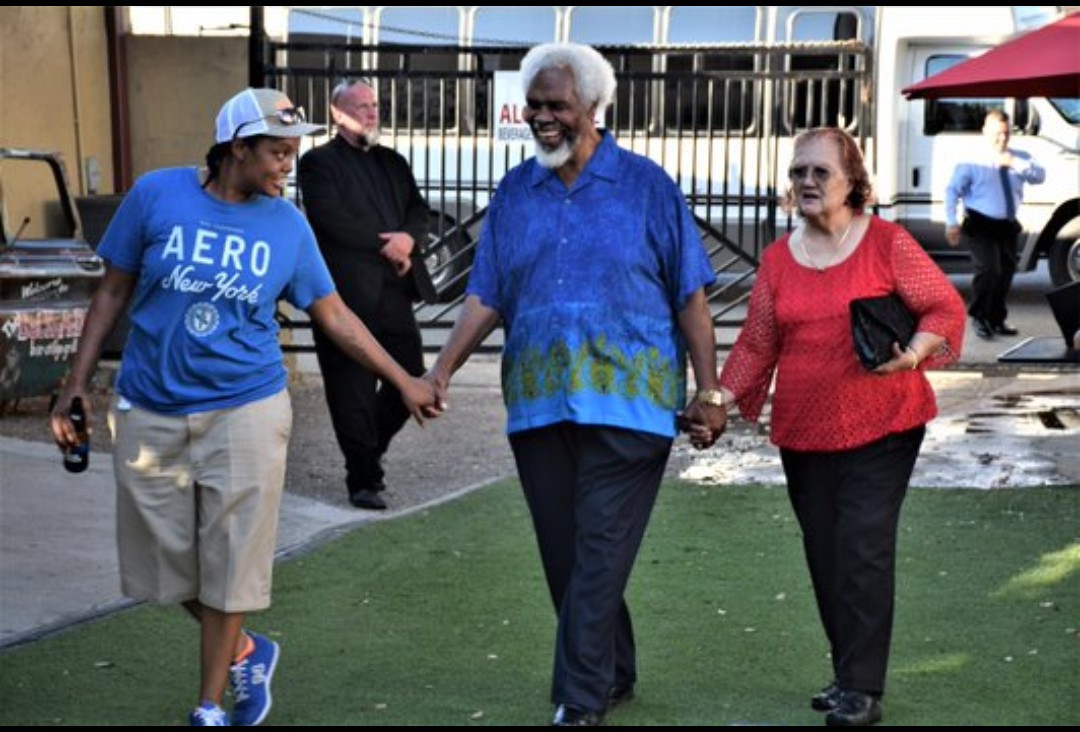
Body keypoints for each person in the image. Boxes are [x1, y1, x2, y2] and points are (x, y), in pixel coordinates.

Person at [49, 88, 438, 726]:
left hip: (247, 408)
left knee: (231, 564)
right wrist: (74, 386)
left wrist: (403, 380)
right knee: (159, 569)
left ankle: (208, 708)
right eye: (277, 152)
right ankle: (247, 649)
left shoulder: (287, 225)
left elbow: (333, 314)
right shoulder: (156, 196)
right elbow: (111, 292)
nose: (289, 164)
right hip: (149, 405)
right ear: (236, 149)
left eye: (292, 151)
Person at [424, 42, 726, 726]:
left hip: (632, 402)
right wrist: (441, 370)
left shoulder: (647, 187)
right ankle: (614, 669)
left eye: (556, 105)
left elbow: (690, 296)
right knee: (567, 555)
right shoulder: (515, 192)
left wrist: (709, 392)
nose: (542, 117)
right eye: (533, 105)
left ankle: (579, 698)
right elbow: (486, 294)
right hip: (539, 403)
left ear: (592, 106)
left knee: (598, 549)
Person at [711, 127, 965, 726]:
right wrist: (717, 397)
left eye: (820, 171)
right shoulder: (778, 260)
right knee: (825, 553)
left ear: (852, 181)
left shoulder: (886, 243)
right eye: (798, 171)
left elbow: (944, 307)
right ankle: (847, 670)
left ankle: (862, 690)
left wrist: (914, 354)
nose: (806, 181)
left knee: (863, 546)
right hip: (804, 430)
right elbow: (757, 344)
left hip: (886, 422)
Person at [298, 79, 437, 511]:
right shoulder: (317, 163)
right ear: (337, 113)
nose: (371, 112)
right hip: (345, 297)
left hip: (394, 291)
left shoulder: (392, 161)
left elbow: (418, 210)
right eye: (360, 105)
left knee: (409, 374)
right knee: (351, 389)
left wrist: (408, 239)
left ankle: (367, 454)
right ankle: (363, 480)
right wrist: (388, 245)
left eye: (374, 105)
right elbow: (330, 220)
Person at [944, 109, 1044, 340]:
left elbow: (1040, 176)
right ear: (985, 132)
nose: (1002, 138)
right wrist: (951, 222)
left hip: (1006, 224)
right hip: (980, 223)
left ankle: (996, 318)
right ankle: (979, 317)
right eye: (997, 133)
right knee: (989, 269)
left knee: (1006, 272)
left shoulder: (1020, 157)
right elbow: (952, 191)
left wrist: (1014, 162)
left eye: (1006, 133)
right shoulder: (972, 160)